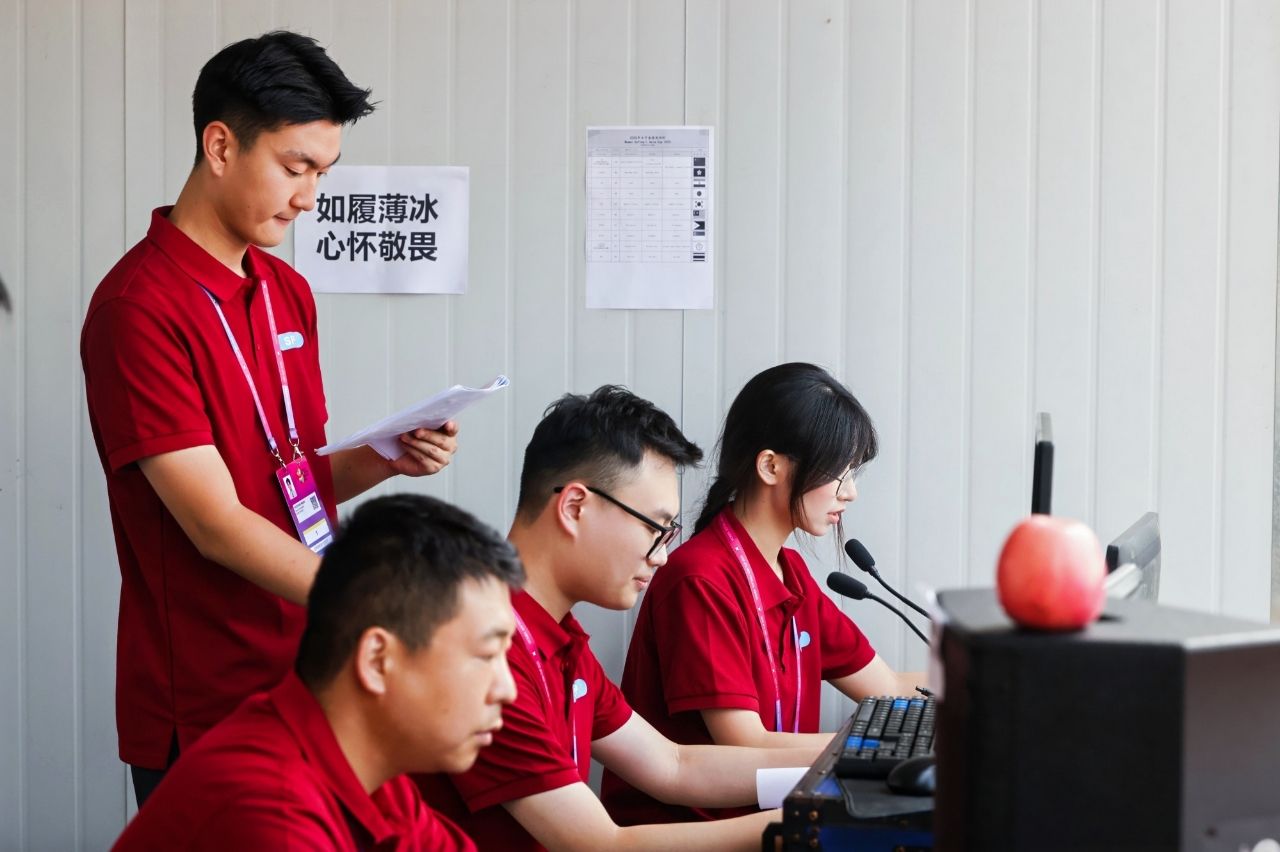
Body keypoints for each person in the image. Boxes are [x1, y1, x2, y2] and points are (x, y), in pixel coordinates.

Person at [80, 30, 460, 805]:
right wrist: (368, 598)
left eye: (323, 173)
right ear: (221, 146)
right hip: (209, 701)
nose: (310, 197)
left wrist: (385, 456)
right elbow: (216, 524)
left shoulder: (287, 291)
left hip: (313, 675)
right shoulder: (137, 309)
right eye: (295, 168)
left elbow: (292, 482)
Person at [416, 386, 825, 852]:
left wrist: (843, 767)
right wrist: (811, 820)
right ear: (575, 506)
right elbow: (599, 844)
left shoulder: (557, 636)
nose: (663, 556)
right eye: (655, 528)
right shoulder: (485, 650)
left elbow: (674, 766)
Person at [603, 362, 925, 824]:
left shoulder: (789, 572)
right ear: (771, 466)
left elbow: (888, 687)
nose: (850, 492)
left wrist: (987, 688)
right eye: (839, 472)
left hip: (770, 818)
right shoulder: (700, 579)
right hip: (705, 832)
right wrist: (881, 748)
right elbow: (745, 741)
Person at [113, 493, 522, 850]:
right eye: (487, 655)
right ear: (376, 661)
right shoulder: (272, 814)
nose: (507, 690)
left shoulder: (375, 776)